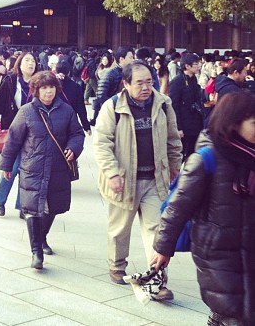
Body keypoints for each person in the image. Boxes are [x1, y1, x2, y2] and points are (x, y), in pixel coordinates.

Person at [151, 92, 255, 326]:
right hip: (216, 252)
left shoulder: (251, 156)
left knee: (241, 311)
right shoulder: (207, 158)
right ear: (233, 124)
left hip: (249, 247)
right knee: (231, 307)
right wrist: (163, 248)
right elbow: (177, 207)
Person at [93, 60, 182, 297]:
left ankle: (157, 282)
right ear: (126, 84)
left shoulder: (163, 104)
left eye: (149, 82)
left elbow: (173, 139)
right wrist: (111, 172)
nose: (145, 87)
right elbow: (101, 143)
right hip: (123, 180)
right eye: (139, 83)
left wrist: (175, 167)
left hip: (154, 179)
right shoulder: (112, 107)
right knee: (119, 229)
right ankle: (117, 265)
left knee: (156, 229)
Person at [0, 71, 85, 268]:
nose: (48, 92)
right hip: (33, 167)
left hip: (58, 167)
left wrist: (73, 147)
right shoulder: (27, 111)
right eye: (44, 88)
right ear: (36, 91)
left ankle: (42, 237)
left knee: (53, 206)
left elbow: (77, 133)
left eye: (51, 87)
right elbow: (12, 139)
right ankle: (36, 252)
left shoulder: (66, 111)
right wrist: (6, 166)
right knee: (32, 208)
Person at [0, 51, 39, 217]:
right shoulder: (10, 81)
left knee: (26, 171)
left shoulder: (39, 82)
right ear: (19, 64)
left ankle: (22, 206)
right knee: (11, 169)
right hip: (12, 132)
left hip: (32, 134)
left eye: (33, 61)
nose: (31, 63)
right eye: (27, 60)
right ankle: (0, 201)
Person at [169, 52, 205, 160]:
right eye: (196, 64)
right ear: (187, 66)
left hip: (195, 122)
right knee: (183, 154)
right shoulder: (177, 82)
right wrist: (178, 127)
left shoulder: (193, 79)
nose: (199, 66)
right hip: (184, 125)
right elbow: (174, 106)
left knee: (193, 152)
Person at [92, 46, 134, 124]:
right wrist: (115, 106)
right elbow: (101, 95)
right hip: (113, 112)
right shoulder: (109, 74)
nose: (132, 60)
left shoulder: (130, 72)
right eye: (130, 58)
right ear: (122, 59)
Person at [54, 60, 91, 135]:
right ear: (69, 71)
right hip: (71, 121)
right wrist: (86, 126)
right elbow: (81, 108)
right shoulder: (76, 87)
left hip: (55, 121)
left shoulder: (52, 86)